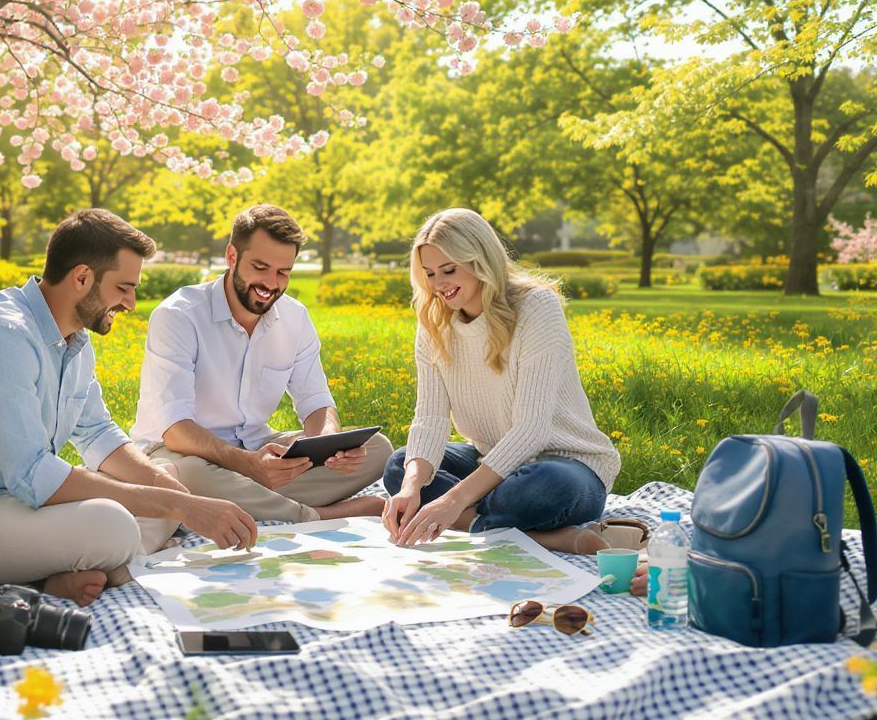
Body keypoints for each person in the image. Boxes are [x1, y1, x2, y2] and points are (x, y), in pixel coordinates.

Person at [0, 209, 257, 606]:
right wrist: (180, 505)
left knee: (165, 477)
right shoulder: (2, 334)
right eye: (123, 288)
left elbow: (99, 436)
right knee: (114, 525)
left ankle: (81, 569)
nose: (131, 303)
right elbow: (33, 474)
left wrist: (172, 493)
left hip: (19, 504)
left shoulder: (74, 341)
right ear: (82, 277)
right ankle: (98, 566)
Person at [381, 208, 642, 557]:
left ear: (480, 260)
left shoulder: (537, 307)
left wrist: (452, 500)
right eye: (429, 273)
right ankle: (546, 537)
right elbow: (430, 418)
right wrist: (412, 488)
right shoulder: (433, 322)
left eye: (449, 269)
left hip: (567, 466)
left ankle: (469, 517)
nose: (438, 283)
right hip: (494, 459)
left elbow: (532, 429)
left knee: (540, 489)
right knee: (401, 467)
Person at [131, 204, 392, 523]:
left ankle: (251, 499)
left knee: (378, 448)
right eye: (260, 267)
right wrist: (247, 464)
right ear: (231, 257)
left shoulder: (295, 318)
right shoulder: (178, 316)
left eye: (283, 272)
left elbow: (316, 403)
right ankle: (314, 515)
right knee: (184, 476)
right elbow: (175, 431)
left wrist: (329, 447)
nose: (271, 283)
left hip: (259, 449)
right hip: (183, 453)